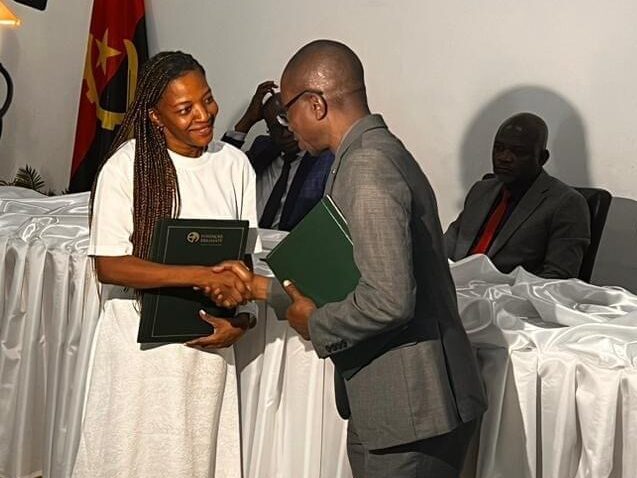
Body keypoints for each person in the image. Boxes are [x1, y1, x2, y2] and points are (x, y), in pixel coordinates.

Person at [215, 40, 487, 478]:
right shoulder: (367, 154)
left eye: (287, 112)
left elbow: (388, 300)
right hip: (398, 406)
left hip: (412, 410)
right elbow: (347, 281)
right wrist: (262, 289)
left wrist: (316, 323)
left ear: (316, 104)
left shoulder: (367, 167)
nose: (287, 125)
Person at [72, 51, 258, 478]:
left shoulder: (234, 165)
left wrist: (241, 322)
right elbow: (110, 266)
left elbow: (243, 263)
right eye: (185, 108)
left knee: (191, 460)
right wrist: (198, 275)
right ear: (156, 117)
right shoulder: (127, 167)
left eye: (207, 99)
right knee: (130, 457)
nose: (204, 115)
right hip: (140, 350)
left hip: (205, 349)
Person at [444, 112, 591, 278]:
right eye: (499, 148)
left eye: (518, 152)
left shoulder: (566, 203)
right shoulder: (480, 191)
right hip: (452, 287)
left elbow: (558, 277)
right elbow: (442, 250)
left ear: (542, 158)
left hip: (507, 292)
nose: (504, 158)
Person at [221, 82, 334, 230]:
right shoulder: (262, 148)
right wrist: (248, 120)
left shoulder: (324, 160)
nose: (286, 133)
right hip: (249, 236)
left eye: (288, 124)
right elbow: (218, 172)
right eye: (276, 128)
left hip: (291, 241)